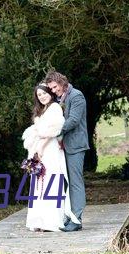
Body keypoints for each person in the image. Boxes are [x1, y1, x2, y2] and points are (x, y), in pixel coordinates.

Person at [22, 83, 79, 232]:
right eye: (39, 95)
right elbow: (37, 130)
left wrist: (41, 147)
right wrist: (35, 149)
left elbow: (54, 129)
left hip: (50, 148)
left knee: (51, 181)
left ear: (50, 93)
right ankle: (39, 220)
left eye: (44, 93)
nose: (42, 97)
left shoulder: (55, 107)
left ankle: (51, 221)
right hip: (38, 148)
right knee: (39, 182)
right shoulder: (41, 110)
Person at [43, 70, 89, 232]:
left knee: (75, 183)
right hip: (62, 147)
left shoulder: (76, 96)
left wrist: (52, 132)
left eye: (55, 87)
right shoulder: (59, 98)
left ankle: (77, 219)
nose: (54, 91)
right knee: (65, 183)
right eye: (51, 89)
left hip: (75, 146)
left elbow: (74, 121)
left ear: (62, 82)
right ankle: (68, 216)